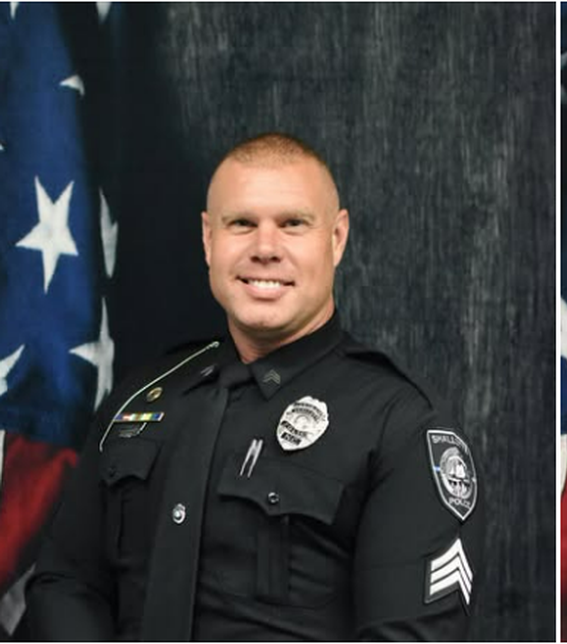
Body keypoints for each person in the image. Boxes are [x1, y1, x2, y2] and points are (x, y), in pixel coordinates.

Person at [26, 133, 483, 640]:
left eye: (293, 224)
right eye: (241, 223)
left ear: (336, 239)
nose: (265, 249)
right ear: (208, 239)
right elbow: (66, 583)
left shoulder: (400, 426)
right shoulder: (141, 398)